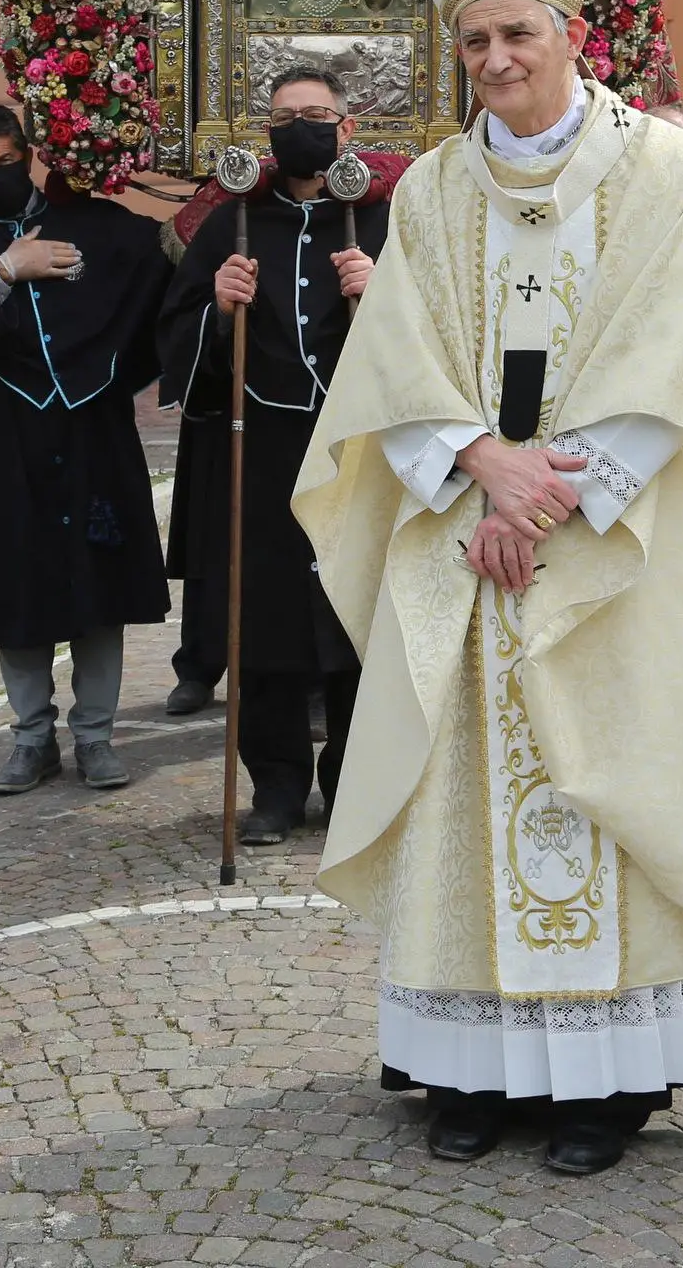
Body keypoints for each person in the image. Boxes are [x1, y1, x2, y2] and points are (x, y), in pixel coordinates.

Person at [292, 0, 683, 1176]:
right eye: (472, 39)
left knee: (612, 782)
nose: (492, 59)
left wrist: (557, 484)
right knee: (463, 790)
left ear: (569, 34)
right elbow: (395, 359)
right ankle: (468, 1070)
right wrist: (482, 465)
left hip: (621, 540)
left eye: (515, 34)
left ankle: (606, 1083)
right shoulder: (427, 189)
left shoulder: (660, 168)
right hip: (468, 536)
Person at [157, 64, 389, 844]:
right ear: (266, 132)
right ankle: (276, 789)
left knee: (358, 622)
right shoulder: (233, 224)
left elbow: (440, 341)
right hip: (260, 451)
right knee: (262, 627)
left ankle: (357, 782)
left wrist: (380, 294)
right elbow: (179, 340)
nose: (302, 127)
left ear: (347, 128)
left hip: (359, 453)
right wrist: (218, 310)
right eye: (287, 116)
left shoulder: (385, 222)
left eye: (318, 114)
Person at [0, 102, 171, 795]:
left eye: (6, 164)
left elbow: (169, 275)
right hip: (0, 441)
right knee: (17, 591)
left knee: (99, 590)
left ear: (31, 151)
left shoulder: (99, 225)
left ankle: (97, 737)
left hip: (91, 434)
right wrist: (2, 274)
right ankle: (30, 737)